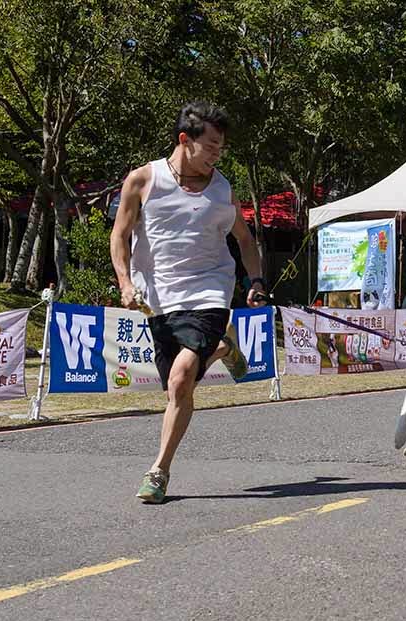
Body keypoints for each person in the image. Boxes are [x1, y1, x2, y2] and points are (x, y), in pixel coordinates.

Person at [110, 101, 265, 504]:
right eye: (210, 146)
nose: (217, 155)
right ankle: (223, 348)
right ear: (185, 140)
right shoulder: (144, 180)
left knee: (181, 379)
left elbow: (245, 241)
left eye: (221, 148)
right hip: (159, 298)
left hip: (211, 290)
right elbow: (121, 236)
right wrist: (125, 283)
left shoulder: (222, 189)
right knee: (174, 389)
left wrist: (256, 279)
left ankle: (158, 471)